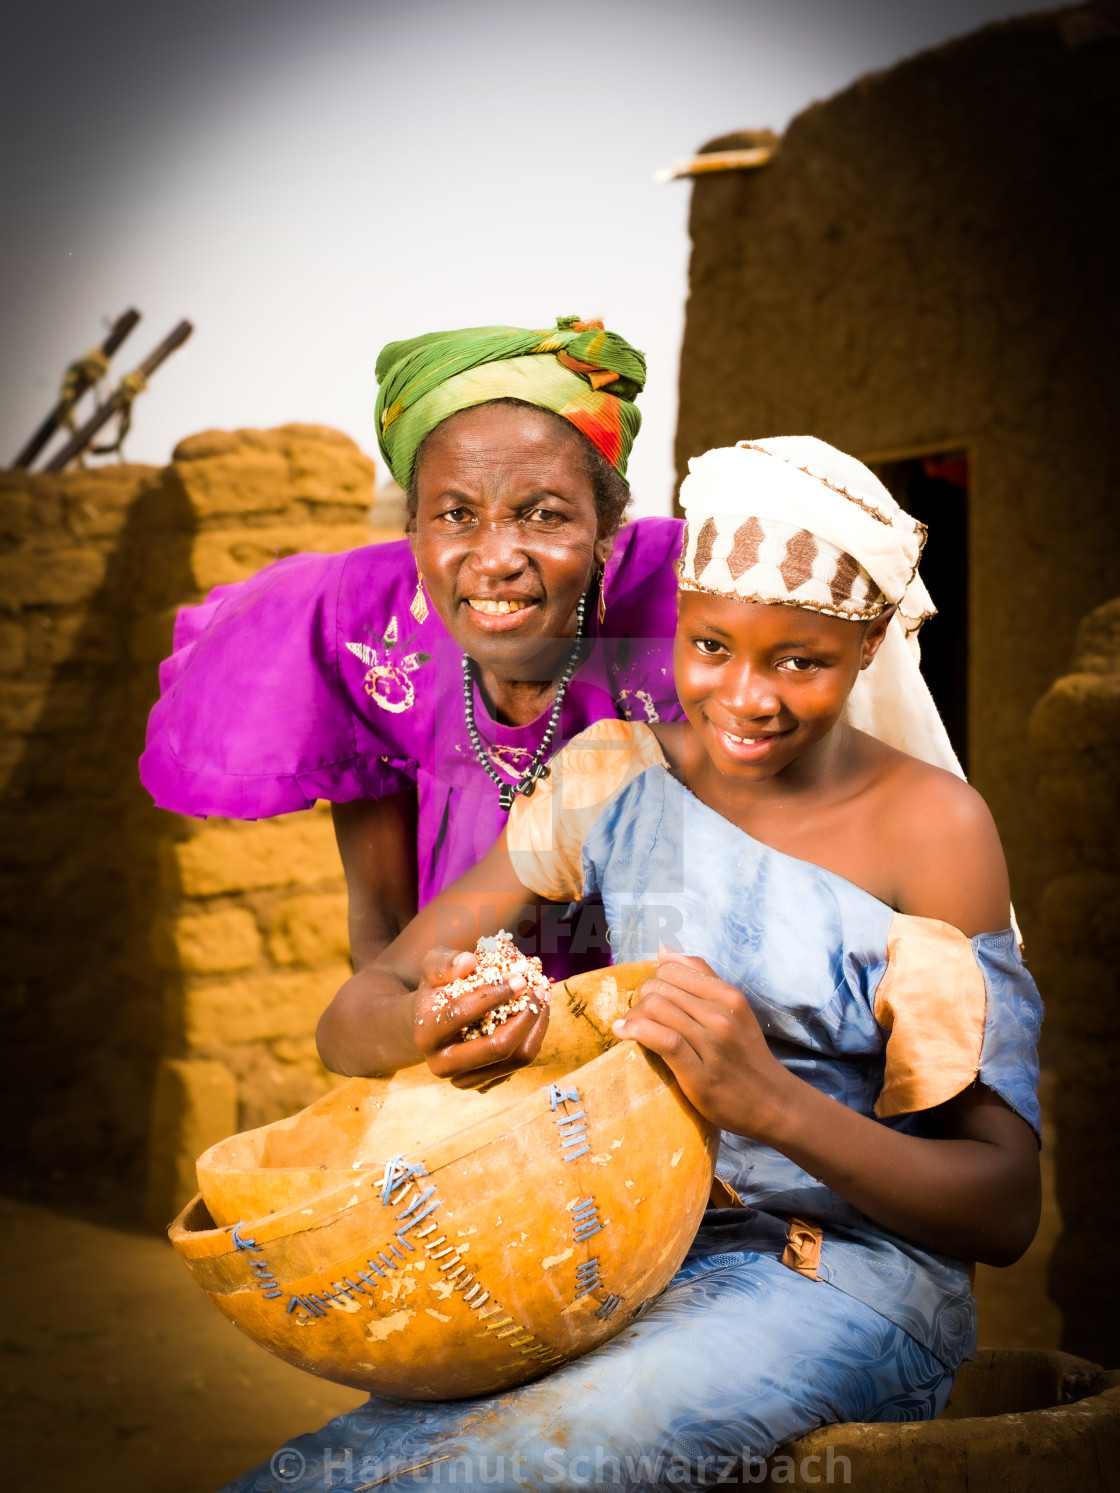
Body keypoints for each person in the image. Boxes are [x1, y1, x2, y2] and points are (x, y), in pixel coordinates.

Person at [224, 438, 1043, 1491]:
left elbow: (1004, 1204)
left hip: (846, 1284)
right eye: (711, 645)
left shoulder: (932, 828)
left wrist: (770, 1102)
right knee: (322, 1472)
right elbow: (355, 1013)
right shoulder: (616, 775)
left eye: (801, 660)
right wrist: (442, 1015)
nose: (745, 698)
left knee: (487, 1475)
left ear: (872, 642)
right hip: (626, 1251)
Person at [140, 316, 684, 978]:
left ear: (604, 534)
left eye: (543, 514)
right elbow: (383, 933)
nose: (497, 559)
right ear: (413, 532)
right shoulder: (370, 641)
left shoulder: (685, 613)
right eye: (455, 515)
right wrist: (424, 1038)